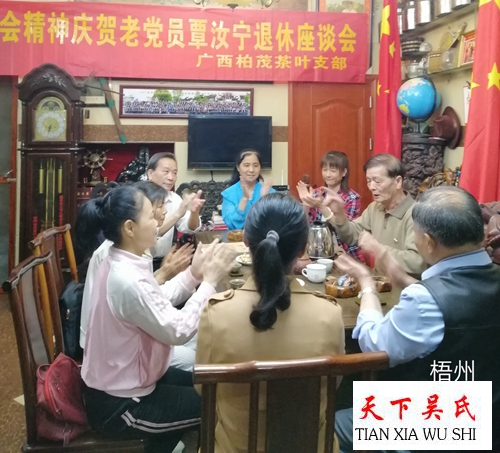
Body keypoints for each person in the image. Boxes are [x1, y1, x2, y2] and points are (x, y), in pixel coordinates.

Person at [333, 186, 500, 453]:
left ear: (429, 242)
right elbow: (462, 302)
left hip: (437, 422)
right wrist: (404, 279)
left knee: (330, 422)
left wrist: (366, 283)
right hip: (489, 417)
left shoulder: (424, 300)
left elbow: (373, 344)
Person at [81, 184, 233, 453]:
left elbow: (155, 299)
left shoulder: (121, 260)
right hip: (121, 404)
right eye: (152, 216)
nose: (159, 221)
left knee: (208, 386)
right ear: (130, 228)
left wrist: (193, 275)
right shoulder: (126, 278)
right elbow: (178, 330)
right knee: (218, 404)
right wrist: (209, 283)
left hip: (130, 381)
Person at [196, 193, 345, 453]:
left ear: (245, 241)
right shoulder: (329, 314)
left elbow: (203, 389)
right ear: (302, 249)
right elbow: (335, 384)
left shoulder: (217, 313)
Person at [79, 181, 196, 373]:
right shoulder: (113, 258)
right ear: (130, 226)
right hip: (114, 354)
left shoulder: (128, 250)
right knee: (196, 357)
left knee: (201, 337)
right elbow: (172, 325)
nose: (163, 214)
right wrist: (203, 281)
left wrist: (191, 275)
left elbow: (146, 296)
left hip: (127, 335)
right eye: (154, 211)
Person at [324, 153, 425, 277]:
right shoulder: (375, 208)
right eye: (369, 181)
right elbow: (351, 236)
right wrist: (340, 214)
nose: (371, 187)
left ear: (398, 181)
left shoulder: (416, 215)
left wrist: (378, 249)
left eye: (377, 181)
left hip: (405, 287)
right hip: (380, 283)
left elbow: (416, 262)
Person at [297, 150, 363, 261]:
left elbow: (347, 232)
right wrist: (306, 204)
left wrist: (322, 207)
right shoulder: (316, 193)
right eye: (324, 170)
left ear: (344, 172)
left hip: (345, 253)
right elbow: (306, 226)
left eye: (333, 170)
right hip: (317, 251)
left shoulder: (352, 197)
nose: (327, 174)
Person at [147, 152, 205, 265]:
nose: (171, 178)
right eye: (166, 172)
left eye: (174, 173)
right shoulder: (139, 198)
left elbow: (190, 228)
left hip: (165, 261)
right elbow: (149, 232)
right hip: (139, 262)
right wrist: (178, 213)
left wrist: (194, 213)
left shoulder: (174, 198)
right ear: (150, 173)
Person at [221, 149, 275, 231]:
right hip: (237, 238)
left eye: (255, 165)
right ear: (238, 168)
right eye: (246, 165)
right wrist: (244, 199)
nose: (251, 170)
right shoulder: (229, 194)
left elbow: (274, 223)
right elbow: (232, 225)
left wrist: (264, 199)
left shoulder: (270, 192)